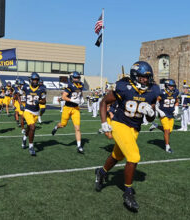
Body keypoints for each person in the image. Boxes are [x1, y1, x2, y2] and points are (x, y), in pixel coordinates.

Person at [95, 61, 160, 211]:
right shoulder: (124, 87)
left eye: (148, 77)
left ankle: (102, 172)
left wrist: (151, 113)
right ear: (135, 76)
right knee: (133, 157)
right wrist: (104, 122)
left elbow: (150, 118)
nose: (146, 80)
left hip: (135, 128)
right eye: (143, 77)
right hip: (119, 123)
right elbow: (104, 102)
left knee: (117, 155)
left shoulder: (153, 90)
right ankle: (128, 192)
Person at [52, 71, 85, 153]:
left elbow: (80, 93)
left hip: (76, 109)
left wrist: (81, 98)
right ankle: (56, 127)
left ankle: (79, 146)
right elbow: (63, 97)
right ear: (72, 78)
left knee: (77, 128)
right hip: (67, 108)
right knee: (63, 125)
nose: (77, 79)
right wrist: (72, 100)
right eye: (75, 77)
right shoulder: (70, 86)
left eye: (78, 77)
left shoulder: (81, 85)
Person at [19, 72, 46, 156]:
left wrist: (40, 101)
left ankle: (24, 138)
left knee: (29, 128)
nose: (35, 81)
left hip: (36, 111)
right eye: (34, 79)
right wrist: (20, 103)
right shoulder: (25, 87)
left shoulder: (42, 88)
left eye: (36, 80)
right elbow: (17, 95)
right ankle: (31, 146)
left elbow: (44, 101)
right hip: (27, 110)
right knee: (33, 127)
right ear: (30, 80)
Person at [149, 79, 179, 153]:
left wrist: (176, 109)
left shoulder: (176, 92)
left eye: (173, 86)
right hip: (163, 113)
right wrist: (159, 111)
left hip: (171, 113)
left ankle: (156, 126)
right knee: (166, 130)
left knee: (169, 131)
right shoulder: (162, 93)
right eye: (171, 86)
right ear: (166, 86)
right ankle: (167, 146)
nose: (172, 87)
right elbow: (155, 104)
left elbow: (177, 101)